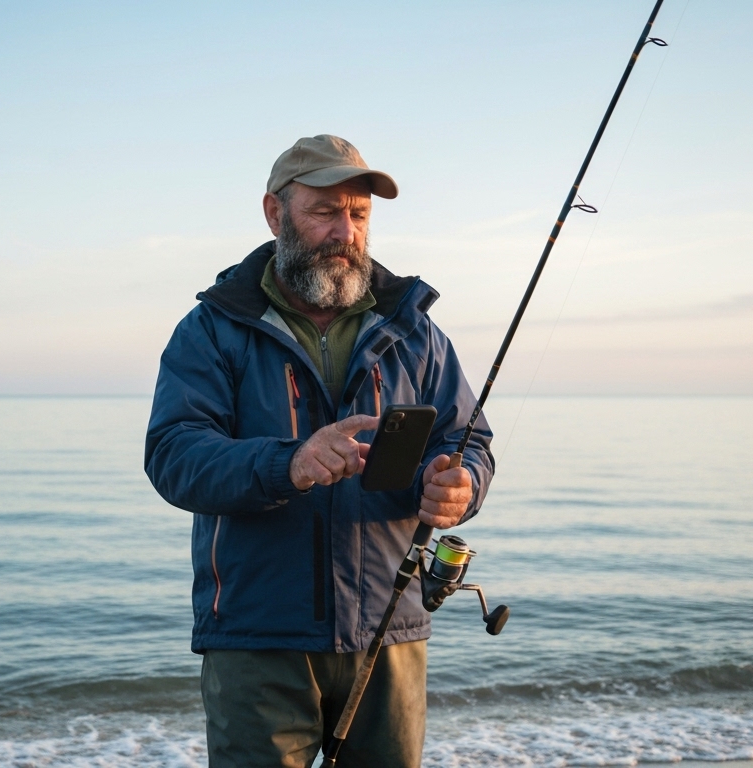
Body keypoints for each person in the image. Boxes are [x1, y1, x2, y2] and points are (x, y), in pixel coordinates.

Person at [145, 134, 494, 768]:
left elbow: (469, 438)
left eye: (358, 214)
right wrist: (291, 463)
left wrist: (461, 483)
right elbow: (174, 454)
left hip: (389, 630)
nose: (345, 231)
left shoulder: (416, 329)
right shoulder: (213, 328)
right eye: (325, 211)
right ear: (275, 214)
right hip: (258, 636)